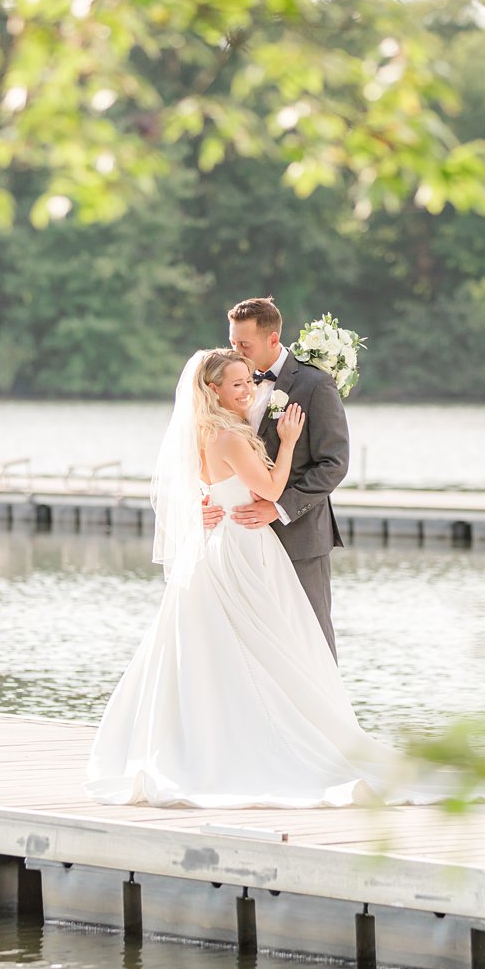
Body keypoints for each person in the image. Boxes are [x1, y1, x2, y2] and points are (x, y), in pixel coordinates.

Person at [84, 349, 458, 809]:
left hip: (215, 548)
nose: (250, 390)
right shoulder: (229, 436)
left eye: (249, 382)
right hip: (243, 549)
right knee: (264, 645)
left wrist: (205, 503)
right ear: (213, 390)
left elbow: (198, 488)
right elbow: (272, 489)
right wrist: (287, 440)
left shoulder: (200, 433)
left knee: (224, 649)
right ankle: (262, 740)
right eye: (238, 384)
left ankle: (216, 735)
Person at [210, 297, 349, 660]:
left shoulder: (316, 385)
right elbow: (212, 456)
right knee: (252, 641)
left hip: (299, 535)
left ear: (273, 341)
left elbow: (333, 463)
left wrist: (280, 508)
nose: (234, 350)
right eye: (232, 342)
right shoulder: (227, 384)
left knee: (310, 637)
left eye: (244, 345)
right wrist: (206, 499)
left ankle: (324, 717)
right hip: (242, 540)